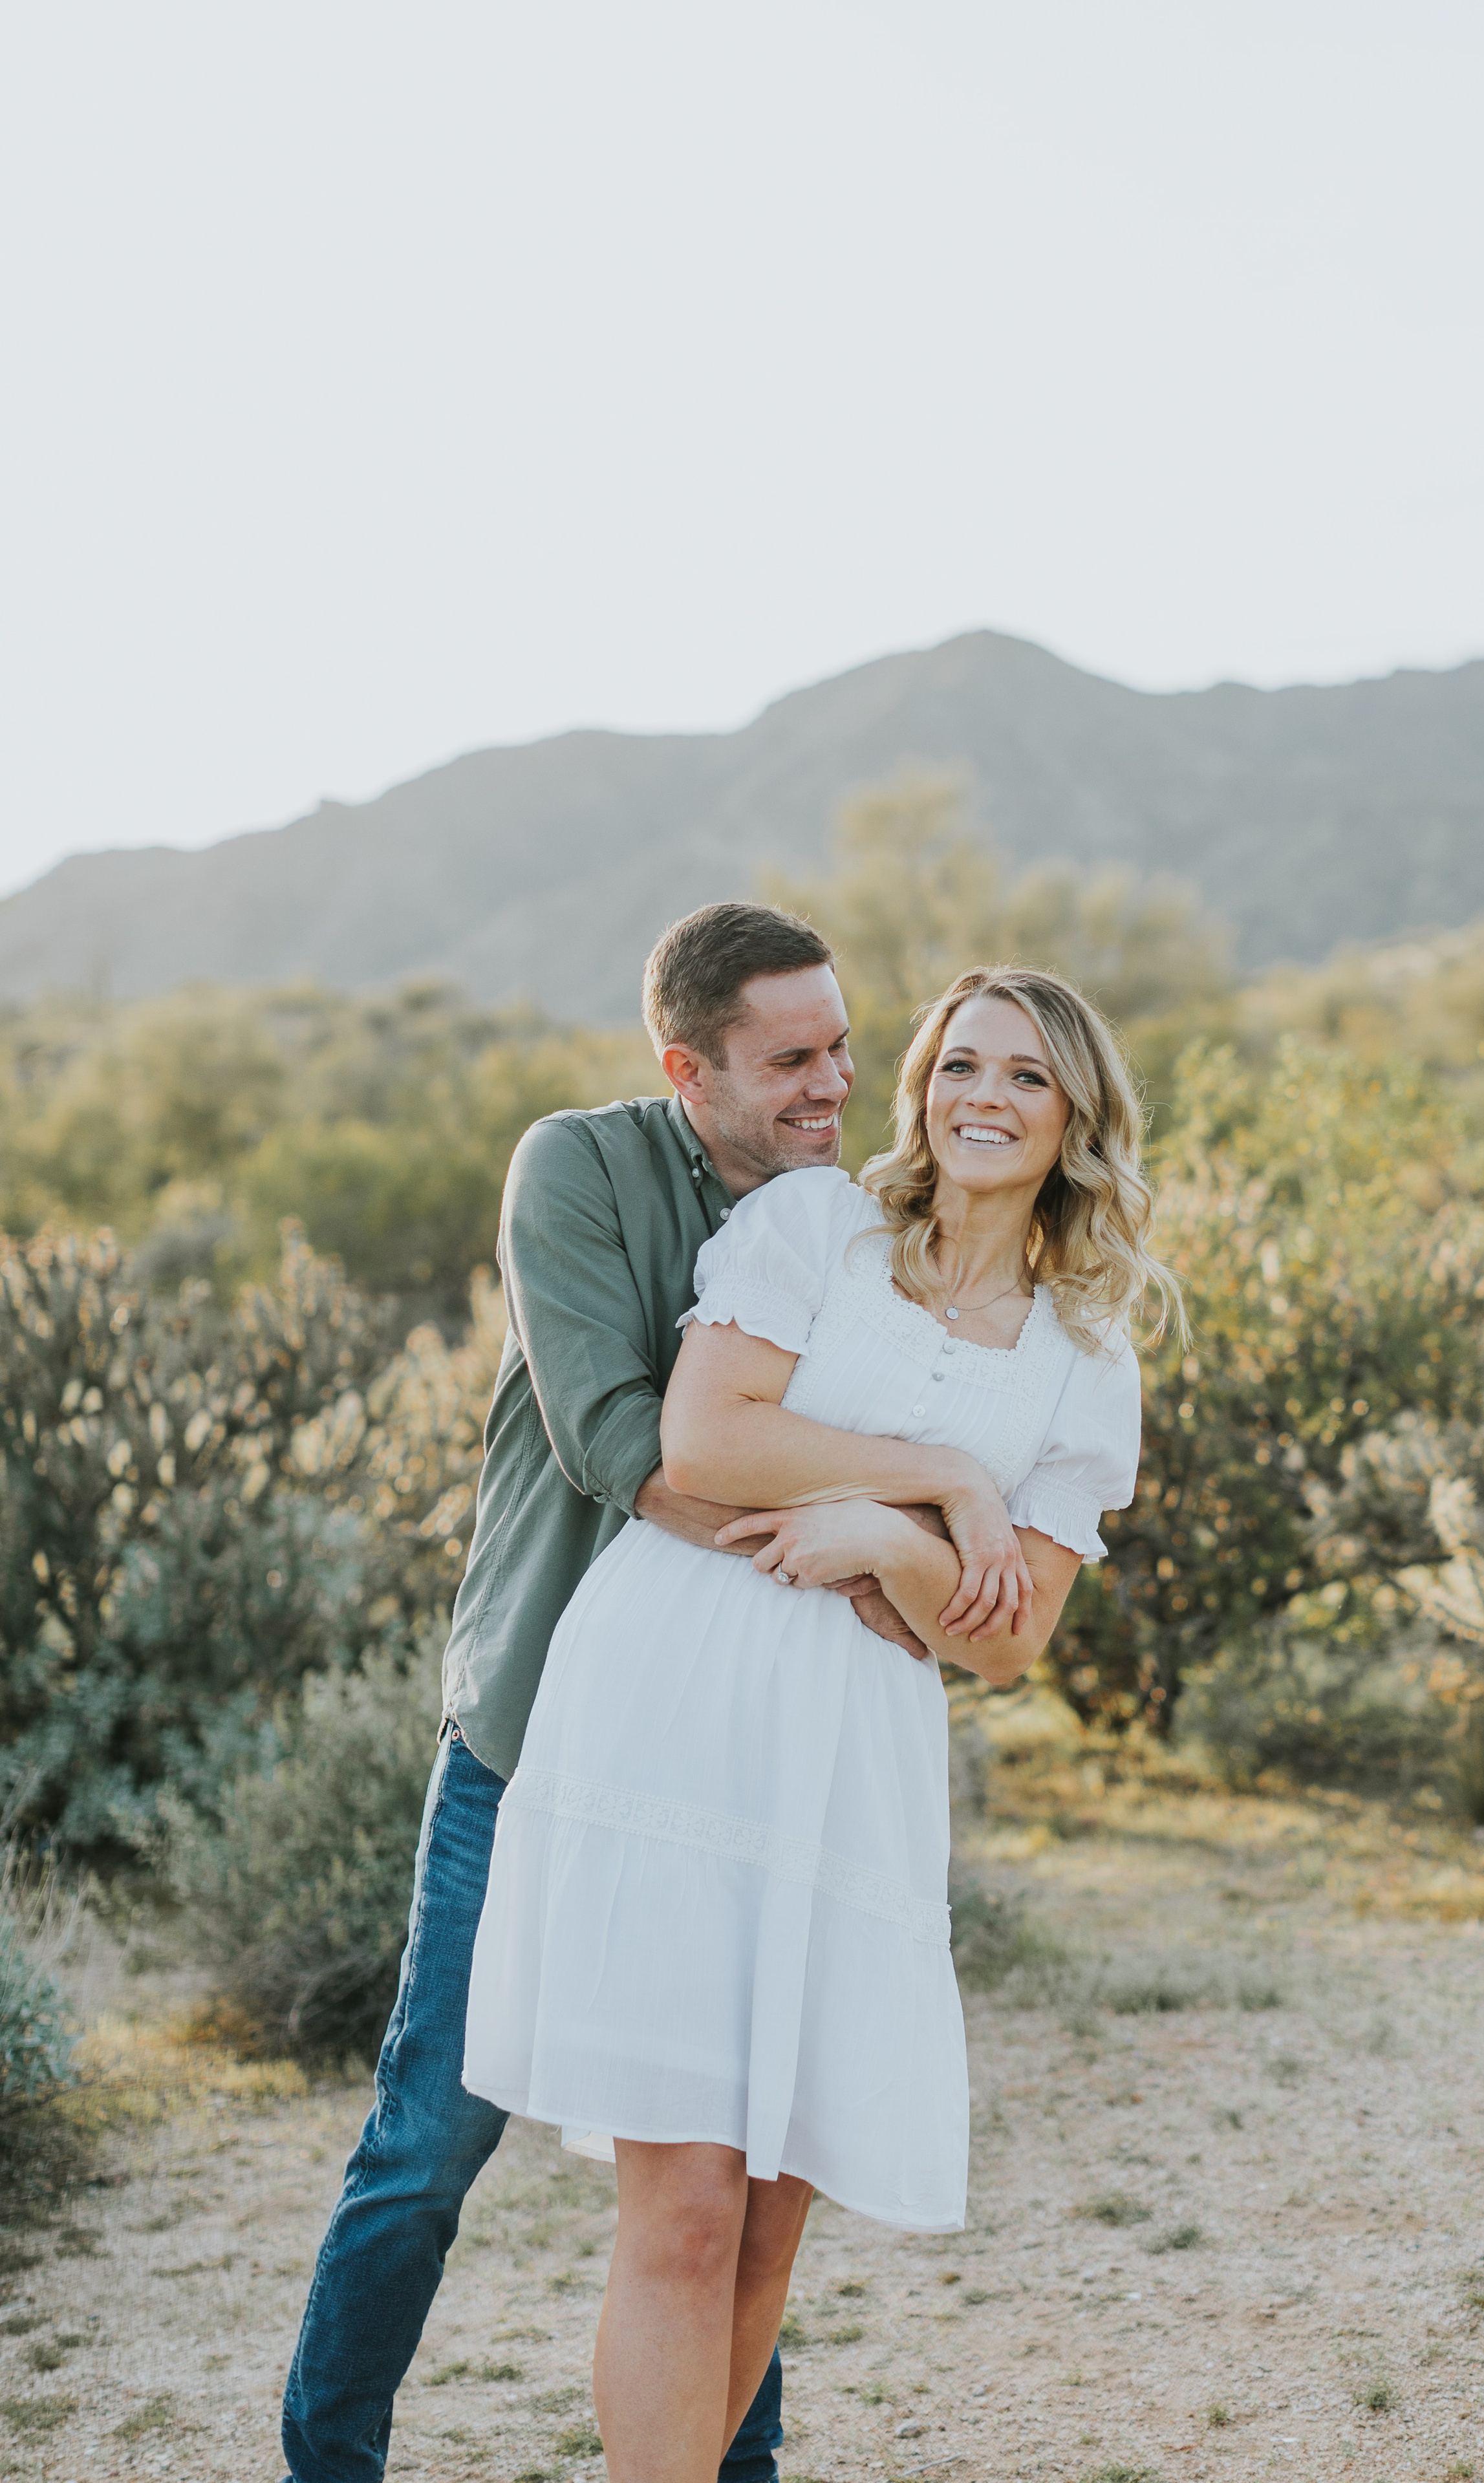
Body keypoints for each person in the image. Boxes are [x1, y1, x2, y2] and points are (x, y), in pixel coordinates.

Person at [462, 964, 1178, 2483]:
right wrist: (948, 1477)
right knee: (687, 2212)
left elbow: (1011, 1639)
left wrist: (885, 1541)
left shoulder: (1084, 1365)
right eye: (957, 1065)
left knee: (772, 2224)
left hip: (851, 1761)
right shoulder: (810, 1229)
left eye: (1025, 1079)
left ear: (1074, 1121)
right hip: (674, 1698)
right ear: (920, 1085)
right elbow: (703, 1438)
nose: (981, 1098)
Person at [281, 903, 932, 2483]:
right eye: (790, 1059)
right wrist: (869, 1551)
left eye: (841, 1046)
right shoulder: (572, 1168)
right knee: (432, 2140)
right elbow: (619, 1444)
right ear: (683, 1066)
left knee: (737, 2155)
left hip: (740, 1766)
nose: (832, 1084)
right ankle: (327, 2463)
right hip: (534, 1738)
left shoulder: (847, 1219)